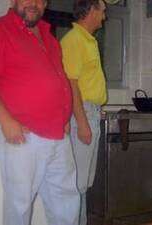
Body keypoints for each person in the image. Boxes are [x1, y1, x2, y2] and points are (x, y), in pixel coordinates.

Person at [0, 0, 80, 224]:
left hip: (58, 135)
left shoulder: (49, 37)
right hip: (24, 136)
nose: (34, 3)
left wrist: (64, 116)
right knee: (19, 207)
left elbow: (57, 80)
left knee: (66, 203)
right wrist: (6, 121)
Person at [60, 0, 107, 224]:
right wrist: (82, 121)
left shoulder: (89, 40)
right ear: (91, 10)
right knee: (77, 182)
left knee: (84, 182)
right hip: (83, 115)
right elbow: (71, 83)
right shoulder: (74, 40)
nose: (104, 16)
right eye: (103, 10)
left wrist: (95, 112)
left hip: (91, 112)